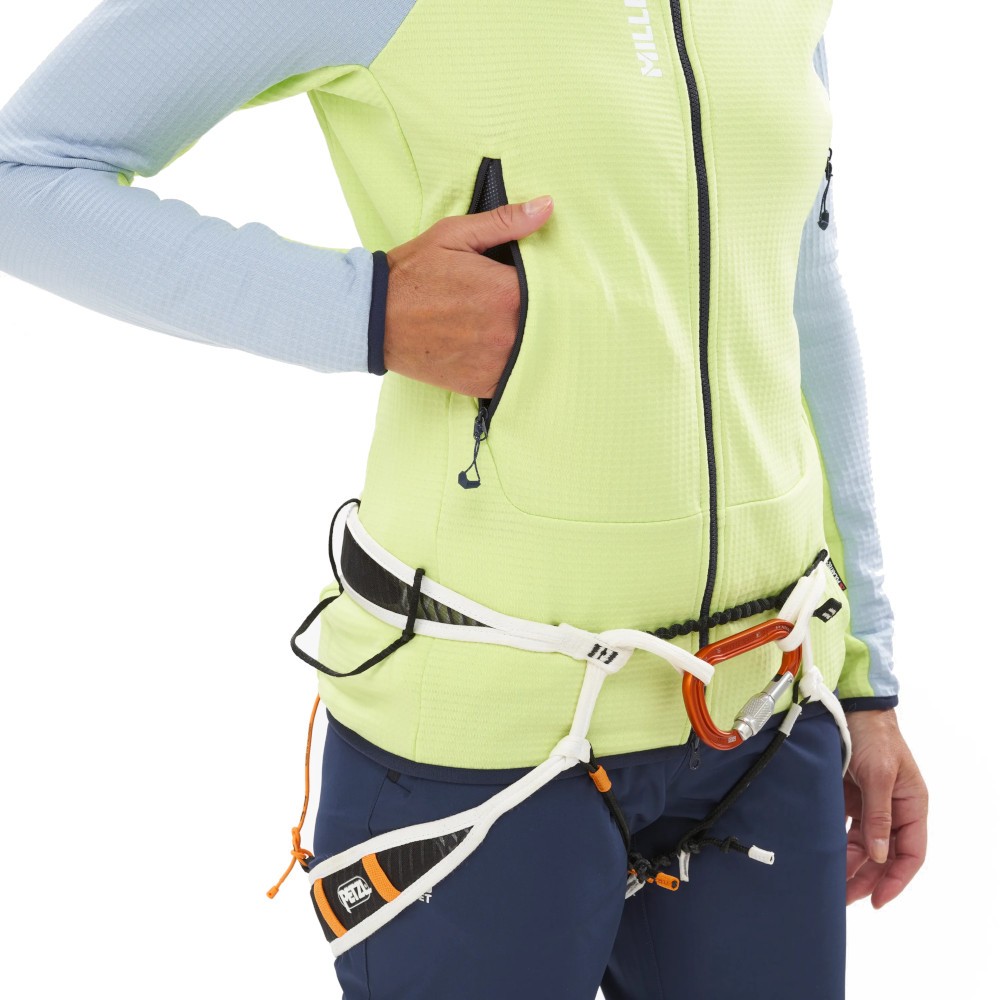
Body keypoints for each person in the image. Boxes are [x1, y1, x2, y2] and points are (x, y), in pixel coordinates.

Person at [0, 2, 928, 998]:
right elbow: (26, 174)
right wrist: (364, 309)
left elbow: (805, 291)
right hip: (480, 742)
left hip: (764, 712)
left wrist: (865, 679)